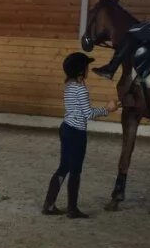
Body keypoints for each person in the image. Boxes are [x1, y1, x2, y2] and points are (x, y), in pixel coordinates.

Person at [44, 53, 119, 218]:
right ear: (80, 70)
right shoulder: (81, 89)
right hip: (76, 133)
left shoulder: (70, 86)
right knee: (75, 171)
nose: (87, 70)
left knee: (64, 167)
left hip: (66, 128)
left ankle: (49, 205)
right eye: (86, 67)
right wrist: (107, 109)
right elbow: (88, 114)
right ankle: (72, 209)